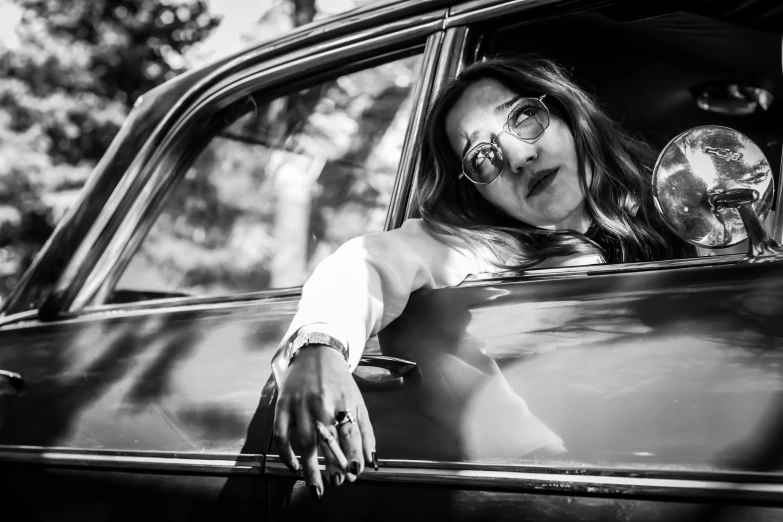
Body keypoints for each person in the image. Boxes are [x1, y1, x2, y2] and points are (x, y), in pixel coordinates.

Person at [270, 56, 692, 501]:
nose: (519, 156)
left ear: (570, 115)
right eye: (482, 155)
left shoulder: (681, 210)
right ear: (477, 190)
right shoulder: (479, 249)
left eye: (524, 117)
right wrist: (319, 346)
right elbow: (370, 258)